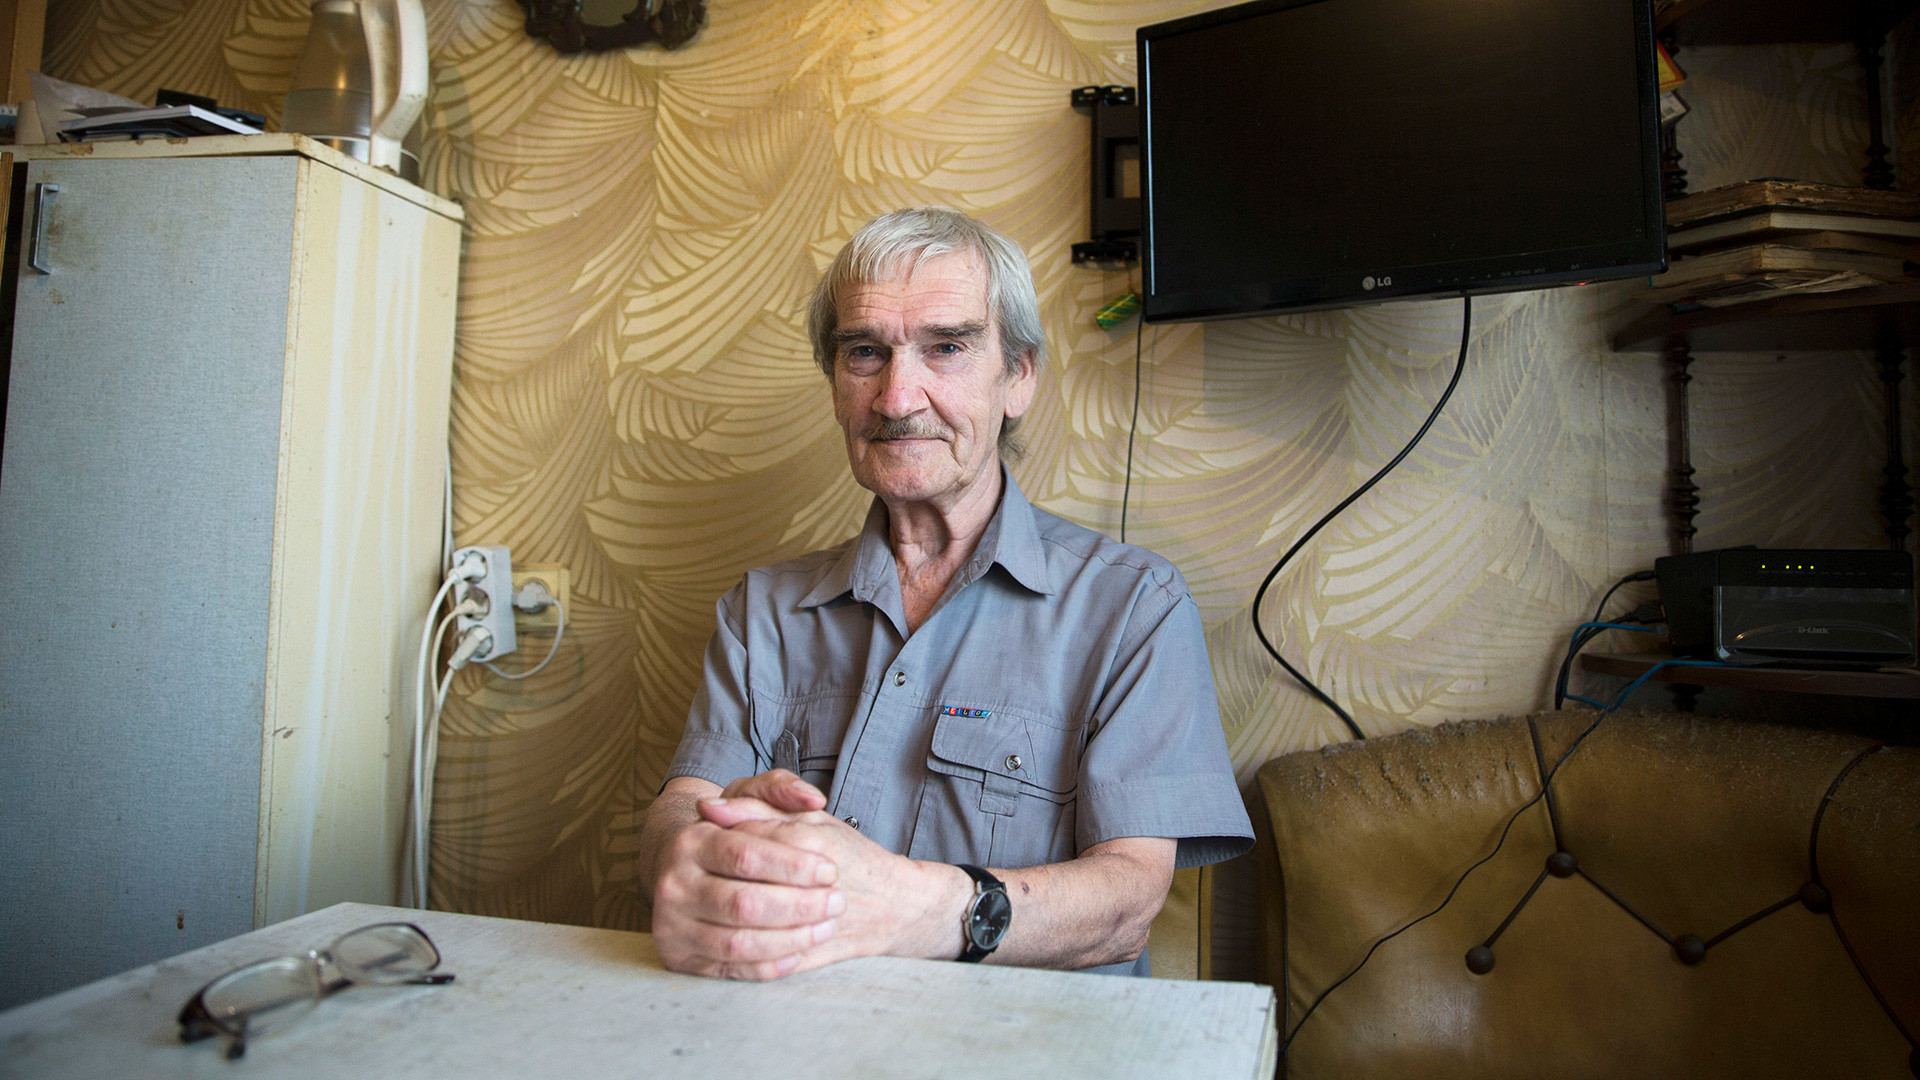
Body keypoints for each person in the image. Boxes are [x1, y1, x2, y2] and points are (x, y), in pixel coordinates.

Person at [637, 207, 1252, 980]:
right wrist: (692, 855)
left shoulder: (1134, 609)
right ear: (834, 381)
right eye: (865, 352)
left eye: (948, 347)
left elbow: (1126, 905)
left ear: (1018, 377)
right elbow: (679, 810)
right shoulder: (760, 612)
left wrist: (914, 906)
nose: (897, 398)